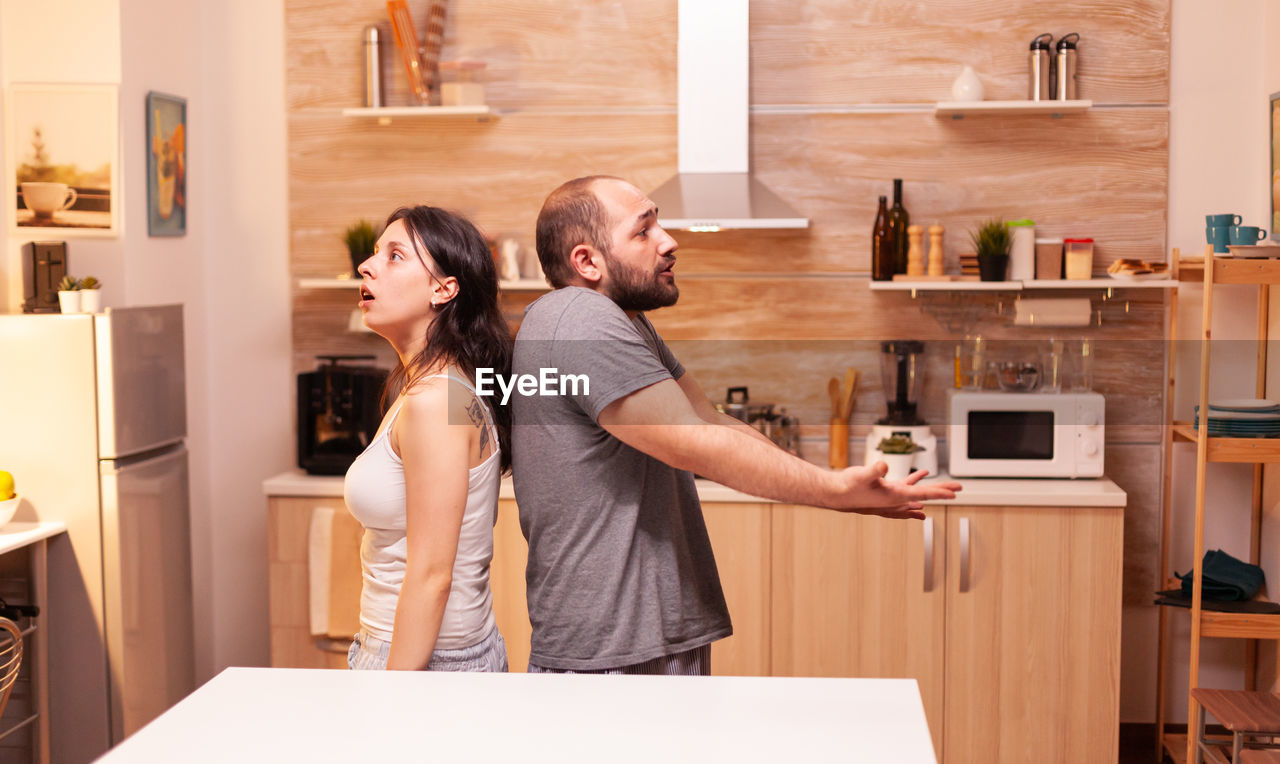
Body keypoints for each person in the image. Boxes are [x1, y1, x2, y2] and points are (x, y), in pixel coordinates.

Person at [511, 175, 961, 675]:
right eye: (643, 231)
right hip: (611, 648)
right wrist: (832, 490)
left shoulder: (624, 319)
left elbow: (705, 417)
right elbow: (693, 442)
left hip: (650, 633)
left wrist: (834, 483)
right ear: (587, 261)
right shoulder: (577, 317)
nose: (668, 240)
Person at [344, 205, 512, 672]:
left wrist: (394, 697)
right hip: (450, 655)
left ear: (444, 289)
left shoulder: (434, 402)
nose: (368, 265)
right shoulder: (439, 387)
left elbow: (433, 576)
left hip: (426, 663)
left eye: (395, 256)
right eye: (375, 252)